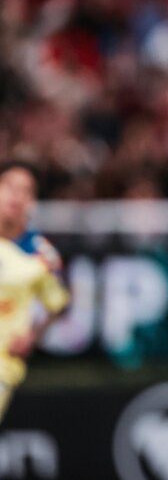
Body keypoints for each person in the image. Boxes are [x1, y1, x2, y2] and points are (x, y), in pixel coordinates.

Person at [0, 160, 70, 424]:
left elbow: (58, 302)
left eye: (26, 190)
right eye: (9, 186)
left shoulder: (41, 254)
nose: (17, 196)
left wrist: (32, 336)